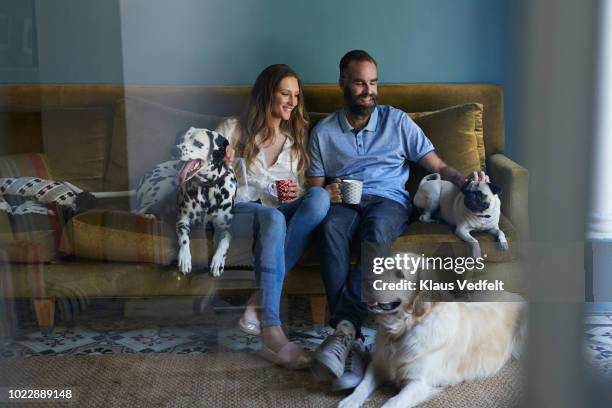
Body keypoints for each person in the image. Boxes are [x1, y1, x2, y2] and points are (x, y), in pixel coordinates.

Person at [307, 50, 489, 388]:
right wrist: (328, 192)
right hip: (344, 202)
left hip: (388, 201)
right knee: (329, 229)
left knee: (376, 233)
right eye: (360, 83)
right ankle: (355, 340)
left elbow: (436, 164)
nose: (369, 90)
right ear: (343, 84)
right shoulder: (323, 132)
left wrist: (464, 182)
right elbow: (314, 188)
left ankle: (344, 331)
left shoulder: (397, 120)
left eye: (373, 82)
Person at [215, 64, 330, 369]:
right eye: (285, 93)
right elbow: (199, 173)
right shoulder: (231, 129)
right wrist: (218, 161)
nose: (292, 101)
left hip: (279, 210)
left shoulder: (297, 140)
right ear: (267, 94)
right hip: (239, 208)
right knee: (273, 218)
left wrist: (298, 195)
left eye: (296, 95)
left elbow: (304, 189)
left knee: (319, 197)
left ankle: (257, 300)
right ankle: (271, 330)